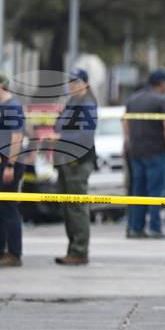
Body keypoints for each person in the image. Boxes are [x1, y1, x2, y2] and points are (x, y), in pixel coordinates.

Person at [49, 69, 98, 265]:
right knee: (68, 208)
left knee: (77, 208)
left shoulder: (87, 105)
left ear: (85, 84)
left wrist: (59, 137)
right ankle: (73, 248)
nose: (72, 86)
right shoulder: (72, 103)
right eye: (70, 82)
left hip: (78, 163)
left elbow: (85, 137)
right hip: (65, 161)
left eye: (75, 82)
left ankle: (79, 250)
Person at [123, 69, 165, 239]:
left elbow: (126, 123)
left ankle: (135, 228)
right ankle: (155, 227)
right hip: (155, 151)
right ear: (161, 84)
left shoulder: (133, 99)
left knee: (138, 190)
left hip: (136, 151)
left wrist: (131, 140)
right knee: (156, 191)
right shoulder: (160, 100)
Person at [0, 69, 26, 267]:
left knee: (8, 209)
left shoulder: (13, 107)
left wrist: (10, 164)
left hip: (8, 165)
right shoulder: (1, 107)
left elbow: (16, 137)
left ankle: (14, 253)